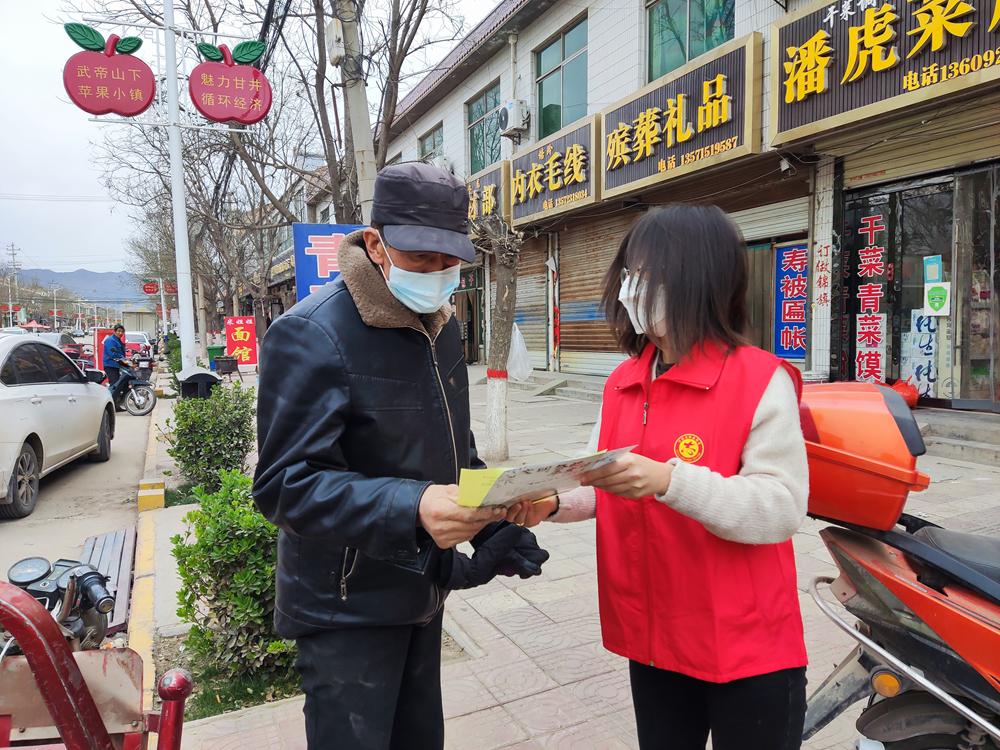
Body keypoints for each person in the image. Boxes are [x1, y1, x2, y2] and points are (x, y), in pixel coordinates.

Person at [253, 162, 549, 750]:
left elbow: (454, 455)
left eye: (450, 261)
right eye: (421, 258)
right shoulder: (311, 334)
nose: (439, 274)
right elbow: (285, 484)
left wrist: (505, 509)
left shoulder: (440, 329)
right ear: (375, 244)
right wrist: (413, 505)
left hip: (420, 587)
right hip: (346, 608)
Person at [509, 205, 810, 750]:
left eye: (647, 276)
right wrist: (548, 502)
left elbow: (782, 506)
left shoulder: (761, 379)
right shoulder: (624, 380)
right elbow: (605, 485)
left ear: (698, 281)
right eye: (629, 273)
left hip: (745, 645)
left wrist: (671, 481)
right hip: (656, 639)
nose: (632, 288)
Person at [102, 325, 129, 397]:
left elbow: (120, 352)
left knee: (122, 384)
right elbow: (112, 353)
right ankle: (112, 402)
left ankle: (119, 402)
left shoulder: (118, 340)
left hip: (117, 365)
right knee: (115, 385)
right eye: (119, 331)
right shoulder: (110, 340)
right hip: (110, 365)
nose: (120, 333)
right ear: (114, 331)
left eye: (122, 331)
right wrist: (123, 359)